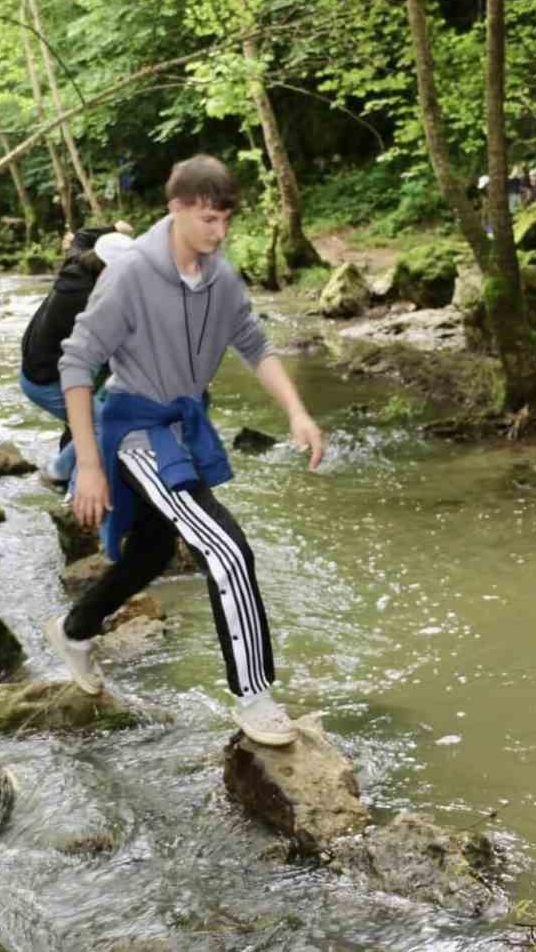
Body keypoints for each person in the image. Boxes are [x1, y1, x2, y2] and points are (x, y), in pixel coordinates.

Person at [42, 155, 324, 747]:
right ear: (175, 209)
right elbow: (76, 361)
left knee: (148, 552)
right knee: (226, 548)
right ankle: (254, 696)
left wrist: (296, 412)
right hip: (137, 428)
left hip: (185, 424)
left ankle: (75, 629)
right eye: (206, 220)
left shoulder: (221, 277)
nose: (218, 234)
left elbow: (254, 344)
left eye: (225, 221)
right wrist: (89, 464)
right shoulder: (131, 275)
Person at [19, 230, 134, 488]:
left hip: (39, 365)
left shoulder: (78, 262)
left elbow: (82, 235)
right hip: (46, 380)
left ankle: (65, 475)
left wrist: (114, 227)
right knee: (105, 425)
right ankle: (61, 476)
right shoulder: (90, 301)